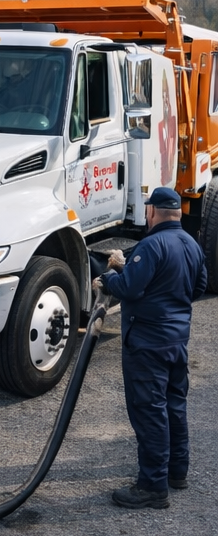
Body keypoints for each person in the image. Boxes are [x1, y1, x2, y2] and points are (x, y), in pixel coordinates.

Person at [97, 186, 207, 509]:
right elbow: (197, 288)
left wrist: (107, 281)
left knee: (149, 411)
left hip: (147, 345)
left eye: (147, 210)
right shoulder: (191, 245)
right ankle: (176, 471)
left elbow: (130, 288)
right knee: (174, 405)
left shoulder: (152, 244)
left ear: (153, 212)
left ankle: (152, 486)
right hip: (176, 342)